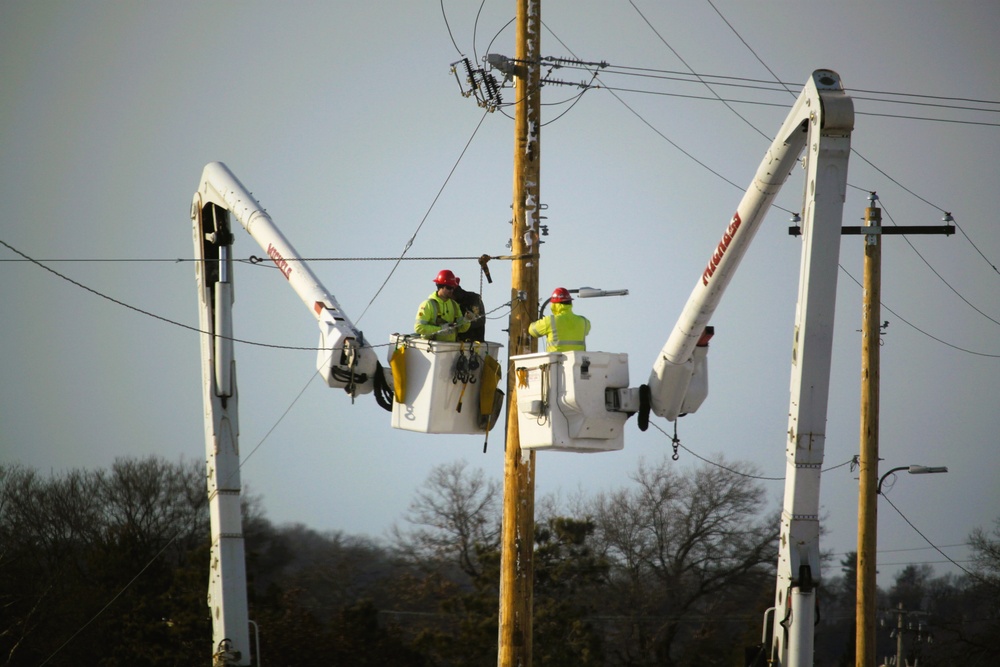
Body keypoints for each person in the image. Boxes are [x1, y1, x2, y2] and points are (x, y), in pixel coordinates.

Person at [414, 269, 473, 342]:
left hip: (450, 348)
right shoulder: (428, 305)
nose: (451, 290)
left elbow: (461, 328)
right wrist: (440, 329)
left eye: (453, 287)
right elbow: (418, 328)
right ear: (440, 287)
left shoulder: (454, 305)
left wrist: (467, 320)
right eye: (449, 288)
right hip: (432, 349)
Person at [528, 287, 591, 352]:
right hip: (578, 361)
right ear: (570, 303)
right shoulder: (584, 321)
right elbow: (587, 330)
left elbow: (532, 330)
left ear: (554, 305)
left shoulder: (550, 321)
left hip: (556, 361)